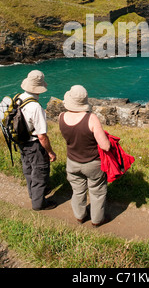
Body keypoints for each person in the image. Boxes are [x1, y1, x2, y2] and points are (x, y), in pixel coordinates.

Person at [59, 85, 111, 227]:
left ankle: (80, 216)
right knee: (97, 192)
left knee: (77, 190)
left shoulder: (61, 117)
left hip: (72, 161)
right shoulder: (91, 118)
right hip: (92, 163)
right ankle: (97, 220)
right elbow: (105, 146)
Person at [19, 70, 57, 211]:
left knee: (28, 169)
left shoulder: (18, 98)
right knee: (40, 172)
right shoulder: (35, 107)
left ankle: (33, 194)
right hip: (34, 144)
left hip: (22, 142)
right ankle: (39, 204)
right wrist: (50, 152)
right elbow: (42, 136)